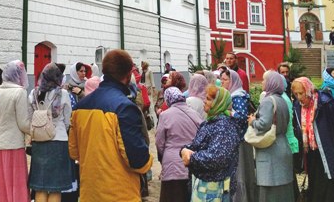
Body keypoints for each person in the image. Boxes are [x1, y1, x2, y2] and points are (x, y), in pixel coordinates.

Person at [68, 49, 153, 202]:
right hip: (120, 194)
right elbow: (138, 160)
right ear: (128, 75)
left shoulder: (79, 107)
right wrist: (149, 160)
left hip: (90, 192)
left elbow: (74, 152)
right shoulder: (125, 108)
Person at [291, 77, 334, 202]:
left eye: (301, 93)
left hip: (331, 154)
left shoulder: (325, 103)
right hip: (312, 155)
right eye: (296, 94)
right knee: (317, 191)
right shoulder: (298, 106)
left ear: (309, 90)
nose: (299, 97)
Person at [180, 85, 243, 200]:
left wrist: (192, 157)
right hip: (205, 186)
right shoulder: (211, 122)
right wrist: (184, 150)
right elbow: (197, 145)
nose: (204, 101)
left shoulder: (224, 126)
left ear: (219, 103)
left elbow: (217, 158)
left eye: (209, 99)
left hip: (215, 189)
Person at [0, 60, 31, 202]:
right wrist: (35, 131)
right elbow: (23, 123)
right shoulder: (20, 92)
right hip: (14, 145)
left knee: (1, 185)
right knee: (15, 184)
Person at [28, 63, 73, 202]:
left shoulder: (34, 93)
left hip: (39, 140)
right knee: (55, 186)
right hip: (58, 140)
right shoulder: (63, 94)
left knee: (40, 186)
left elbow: (30, 116)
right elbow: (68, 119)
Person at [247, 70, 294, 202]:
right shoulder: (282, 100)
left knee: (269, 189)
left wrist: (252, 121)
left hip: (270, 148)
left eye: (264, 80)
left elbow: (264, 124)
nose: (262, 82)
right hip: (282, 144)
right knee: (283, 189)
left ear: (271, 83)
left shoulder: (268, 101)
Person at [155, 87, 204, 202]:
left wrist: (164, 156)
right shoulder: (195, 114)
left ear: (168, 99)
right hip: (192, 162)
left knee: (172, 196)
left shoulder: (165, 115)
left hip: (172, 166)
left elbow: (159, 142)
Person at [220, 67, 256, 202]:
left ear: (232, 81)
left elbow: (242, 116)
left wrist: (228, 112)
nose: (222, 82)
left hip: (240, 140)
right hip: (237, 139)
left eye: (225, 80)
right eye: (221, 79)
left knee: (240, 173)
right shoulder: (233, 95)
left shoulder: (237, 97)